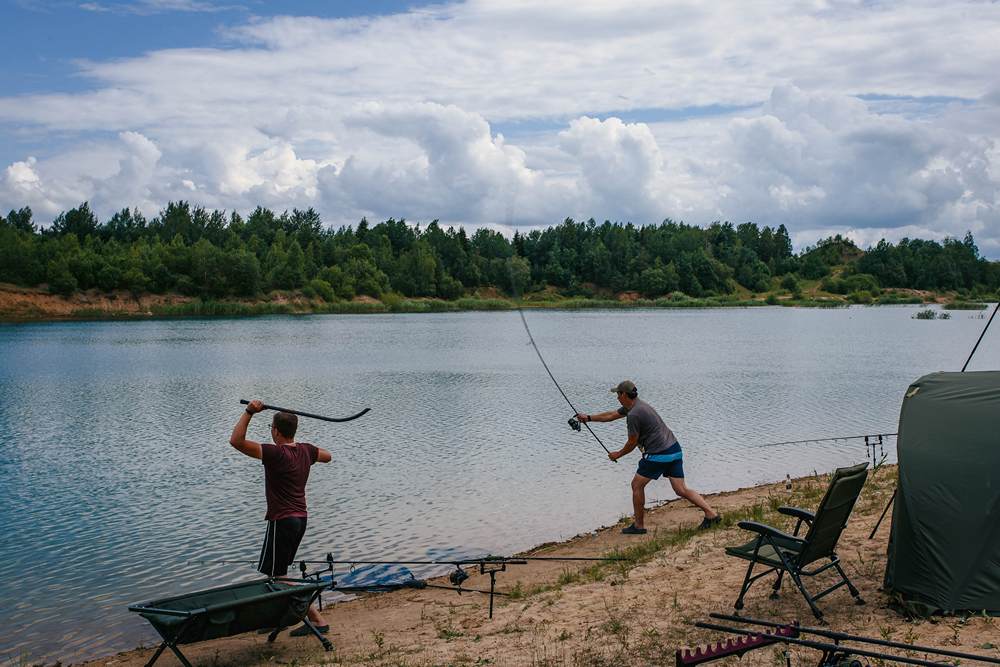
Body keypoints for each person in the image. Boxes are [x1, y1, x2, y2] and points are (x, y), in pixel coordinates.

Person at [230, 399, 332, 637]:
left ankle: (316, 620)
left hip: (282, 520)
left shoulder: (275, 453)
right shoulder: (306, 451)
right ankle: (282, 618)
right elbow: (328, 456)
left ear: (275, 431)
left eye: (271, 429)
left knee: (277, 575)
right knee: (278, 572)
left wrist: (249, 412)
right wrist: (309, 452)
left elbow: (236, 441)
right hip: (300, 520)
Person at [576, 380, 721, 534]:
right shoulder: (638, 405)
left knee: (636, 486)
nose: (617, 397)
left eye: (618, 394)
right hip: (674, 450)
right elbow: (611, 415)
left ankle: (639, 526)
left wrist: (617, 454)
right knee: (681, 489)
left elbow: (632, 443)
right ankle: (711, 514)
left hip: (658, 454)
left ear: (624, 394)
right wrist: (589, 418)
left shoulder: (633, 414)